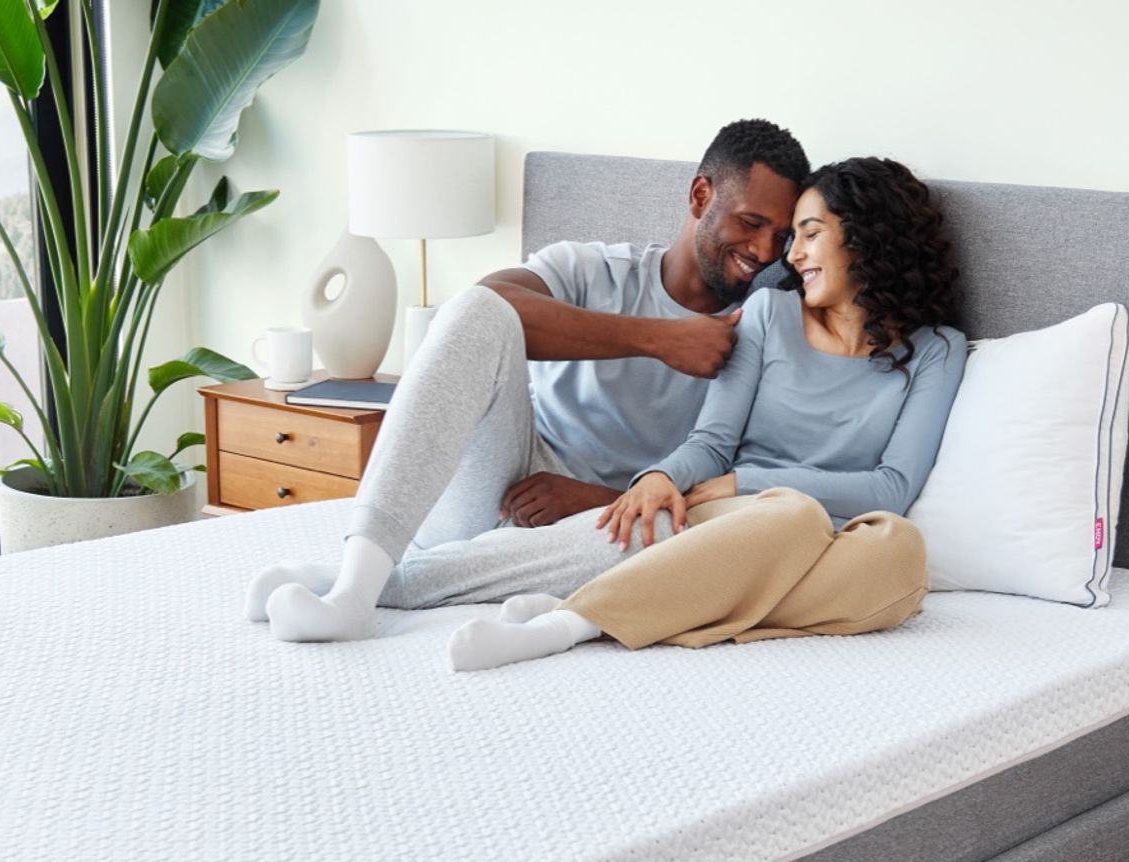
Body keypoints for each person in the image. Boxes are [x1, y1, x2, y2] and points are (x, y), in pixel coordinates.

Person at [244, 119, 809, 640]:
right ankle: (351, 596)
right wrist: (659, 338)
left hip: (604, 525)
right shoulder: (596, 269)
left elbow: (736, 493)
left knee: (683, 543)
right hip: (498, 491)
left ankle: (376, 583)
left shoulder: (764, 330)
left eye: (782, 238)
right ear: (701, 196)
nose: (765, 252)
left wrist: (591, 498)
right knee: (477, 309)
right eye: (751, 223)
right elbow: (486, 306)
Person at [441, 156, 970, 670]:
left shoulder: (937, 350)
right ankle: (568, 626)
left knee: (899, 556)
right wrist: (660, 476)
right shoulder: (768, 314)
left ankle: (595, 604)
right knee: (792, 514)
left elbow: (892, 488)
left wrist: (745, 481)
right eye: (795, 240)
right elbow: (712, 441)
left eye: (810, 234)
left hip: (828, 540)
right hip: (739, 523)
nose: (791, 258)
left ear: (866, 236)